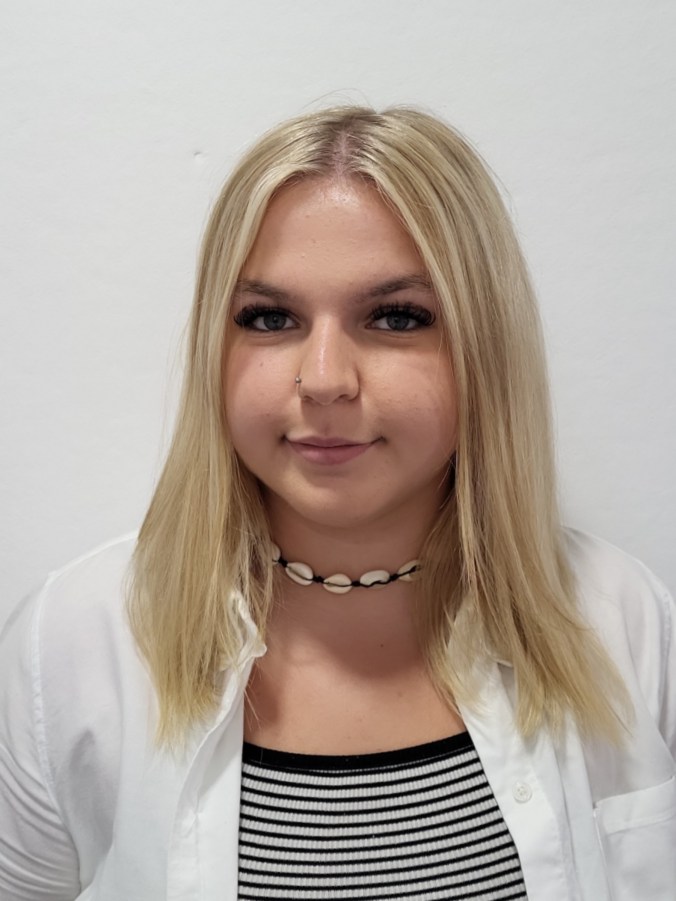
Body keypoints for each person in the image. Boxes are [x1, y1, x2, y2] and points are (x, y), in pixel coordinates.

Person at [0, 106, 674, 901]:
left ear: (484, 347)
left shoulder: (621, 619)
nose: (323, 379)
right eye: (270, 318)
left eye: (396, 317)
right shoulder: (73, 642)